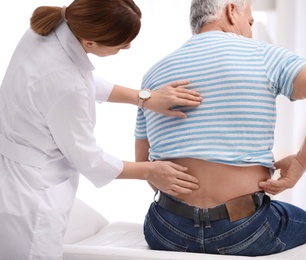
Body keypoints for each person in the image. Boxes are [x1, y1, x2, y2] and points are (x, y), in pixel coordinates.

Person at [135, 0, 306, 257]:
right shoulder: (262, 54)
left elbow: (144, 166)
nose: (250, 31)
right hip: (245, 229)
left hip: (165, 229)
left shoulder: (153, 75)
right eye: (250, 22)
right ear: (231, 10)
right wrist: (301, 162)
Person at [0, 0, 203, 259]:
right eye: (121, 45)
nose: (128, 47)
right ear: (89, 44)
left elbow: (79, 77)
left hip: (17, 166)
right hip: (33, 196)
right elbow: (90, 160)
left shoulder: (52, 29)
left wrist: (144, 98)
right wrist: (150, 171)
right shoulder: (66, 83)